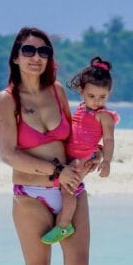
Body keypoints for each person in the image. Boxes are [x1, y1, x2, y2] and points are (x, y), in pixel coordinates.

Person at [0, 26, 99, 265]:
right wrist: (54, 173)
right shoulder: (7, 100)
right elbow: (8, 154)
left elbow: (74, 137)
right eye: (28, 50)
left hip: (71, 190)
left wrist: (91, 156)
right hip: (31, 195)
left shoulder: (57, 91)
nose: (36, 57)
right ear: (15, 56)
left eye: (43, 51)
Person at [41, 56, 118, 244]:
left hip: (83, 157)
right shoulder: (82, 108)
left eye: (102, 97)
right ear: (81, 91)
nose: (96, 101)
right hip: (71, 154)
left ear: (109, 93)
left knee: (69, 189)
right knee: (63, 185)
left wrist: (106, 160)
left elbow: (108, 139)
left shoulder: (104, 115)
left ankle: (64, 225)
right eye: (91, 96)